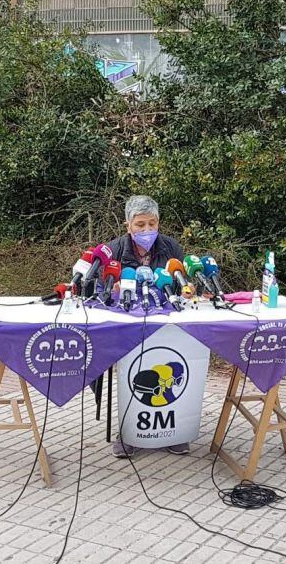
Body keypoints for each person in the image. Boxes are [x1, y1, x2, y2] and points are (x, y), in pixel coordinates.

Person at [107, 194, 187, 458]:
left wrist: (187, 288)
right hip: (126, 326)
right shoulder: (114, 250)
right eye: (140, 224)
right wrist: (113, 290)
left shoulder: (171, 247)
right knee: (136, 374)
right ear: (128, 225)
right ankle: (128, 433)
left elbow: (182, 282)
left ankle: (173, 431)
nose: (147, 230)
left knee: (171, 368)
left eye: (152, 224)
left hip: (166, 324)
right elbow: (99, 291)